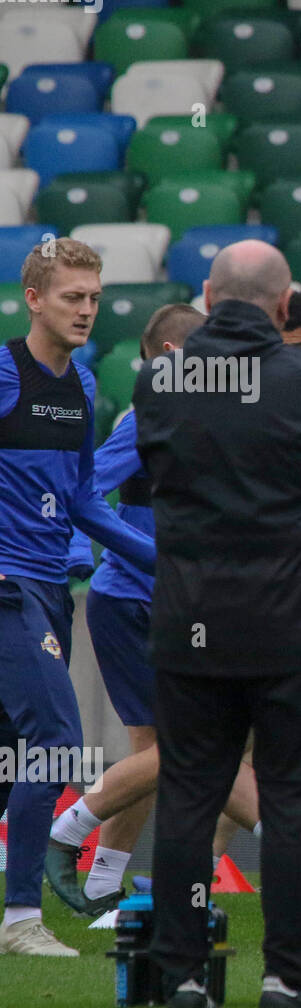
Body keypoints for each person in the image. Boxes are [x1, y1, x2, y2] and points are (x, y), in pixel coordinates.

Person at [48, 303, 301, 944]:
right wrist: (151, 555)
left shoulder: (231, 419)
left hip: (202, 602)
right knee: (190, 752)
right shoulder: (148, 416)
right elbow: (85, 494)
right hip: (139, 602)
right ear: (174, 354)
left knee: (215, 752)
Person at [133, 240, 301, 1008]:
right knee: (293, 799)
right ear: (283, 301)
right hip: (291, 624)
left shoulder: (160, 379)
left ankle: (183, 976)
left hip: (190, 617)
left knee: (190, 795)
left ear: (206, 294)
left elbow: (153, 476)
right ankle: (286, 981)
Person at [0, 239, 156, 957]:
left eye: (94, 298)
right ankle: (22, 919)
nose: (86, 310)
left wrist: (167, 563)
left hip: (53, 587)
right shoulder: (4, 372)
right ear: (33, 298)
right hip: (7, 585)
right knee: (56, 743)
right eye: (72, 297)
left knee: (10, 754)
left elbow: (87, 501)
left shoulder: (86, 386)